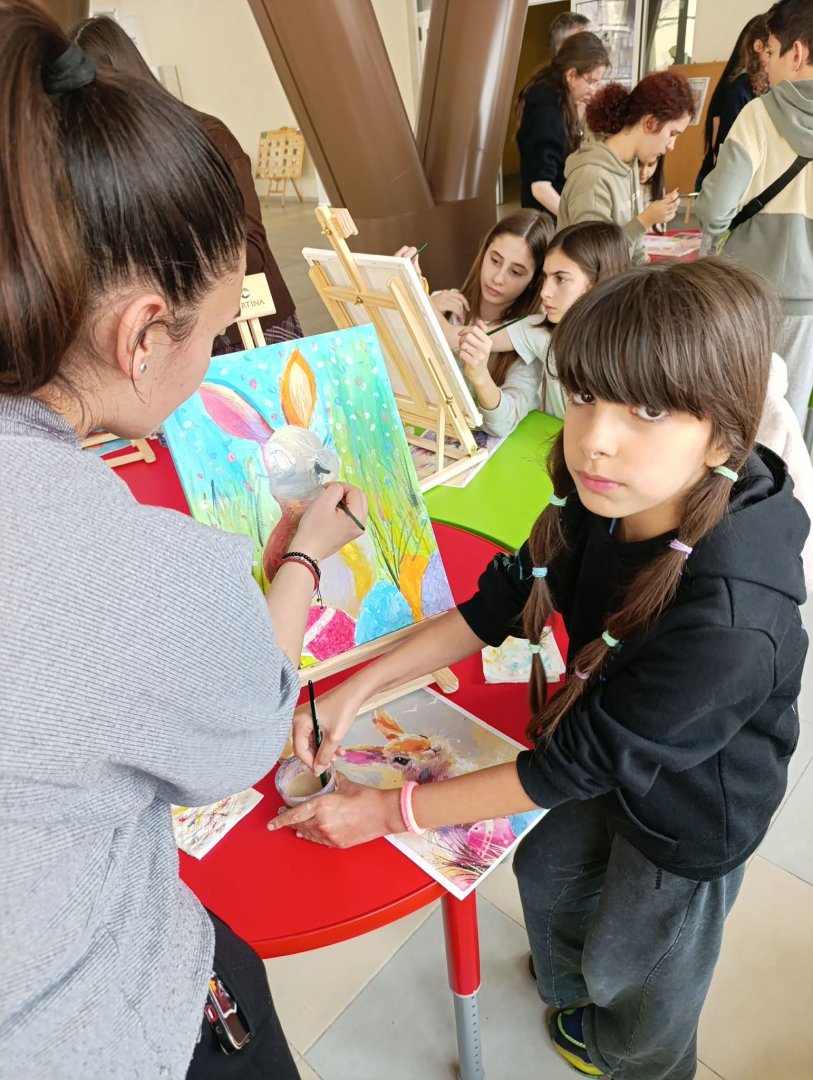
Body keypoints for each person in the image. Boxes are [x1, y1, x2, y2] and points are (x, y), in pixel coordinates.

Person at [269, 256, 808, 1080]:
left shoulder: (731, 622)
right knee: (547, 871)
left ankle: (634, 1055)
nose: (594, 439)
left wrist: (385, 811)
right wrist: (353, 692)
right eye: (584, 394)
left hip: (690, 812)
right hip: (601, 744)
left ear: (722, 434)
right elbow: (499, 603)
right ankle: (574, 989)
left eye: (648, 409)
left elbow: (568, 768)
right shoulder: (603, 496)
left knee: (641, 961)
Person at [0, 3, 366, 1077]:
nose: (213, 356)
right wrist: (304, 558)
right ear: (143, 334)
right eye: (210, 331)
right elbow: (248, 724)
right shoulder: (117, 570)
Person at [69, 14, 304, 351]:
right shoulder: (109, 160)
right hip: (178, 341)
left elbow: (250, 250)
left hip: (251, 330)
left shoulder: (209, 138)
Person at [696, 0, 813, 425]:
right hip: (808, 303)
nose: (767, 64)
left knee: (733, 410)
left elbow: (714, 210)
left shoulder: (759, 114)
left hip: (744, 291)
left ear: (796, 53)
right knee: (786, 421)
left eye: (773, 51)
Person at [456, 221, 631, 422]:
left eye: (560, 279)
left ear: (597, 283)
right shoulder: (539, 331)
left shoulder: (628, 351)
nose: (545, 292)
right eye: (545, 278)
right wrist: (426, 299)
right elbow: (462, 338)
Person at [399, 210, 554, 436]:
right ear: (484, 252)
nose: (498, 278)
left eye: (515, 272)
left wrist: (480, 376)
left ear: (534, 281)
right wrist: (413, 297)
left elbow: (504, 422)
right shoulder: (443, 302)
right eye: (495, 260)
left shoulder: (526, 340)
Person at [558, 72, 695, 264]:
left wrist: (650, 274)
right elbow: (595, 262)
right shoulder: (593, 178)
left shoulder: (628, 166)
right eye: (672, 134)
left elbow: (637, 251)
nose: (671, 146)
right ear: (650, 123)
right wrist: (644, 221)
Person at [515, 31, 610, 217]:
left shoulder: (564, 96)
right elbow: (540, 186)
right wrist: (574, 220)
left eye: (597, 83)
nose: (593, 90)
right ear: (571, 74)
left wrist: (580, 109)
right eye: (591, 82)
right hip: (547, 216)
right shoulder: (545, 107)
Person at [696, 15, 771, 190]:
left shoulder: (761, 89)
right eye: (771, 52)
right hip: (719, 186)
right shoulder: (740, 90)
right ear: (758, 46)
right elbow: (723, 153)